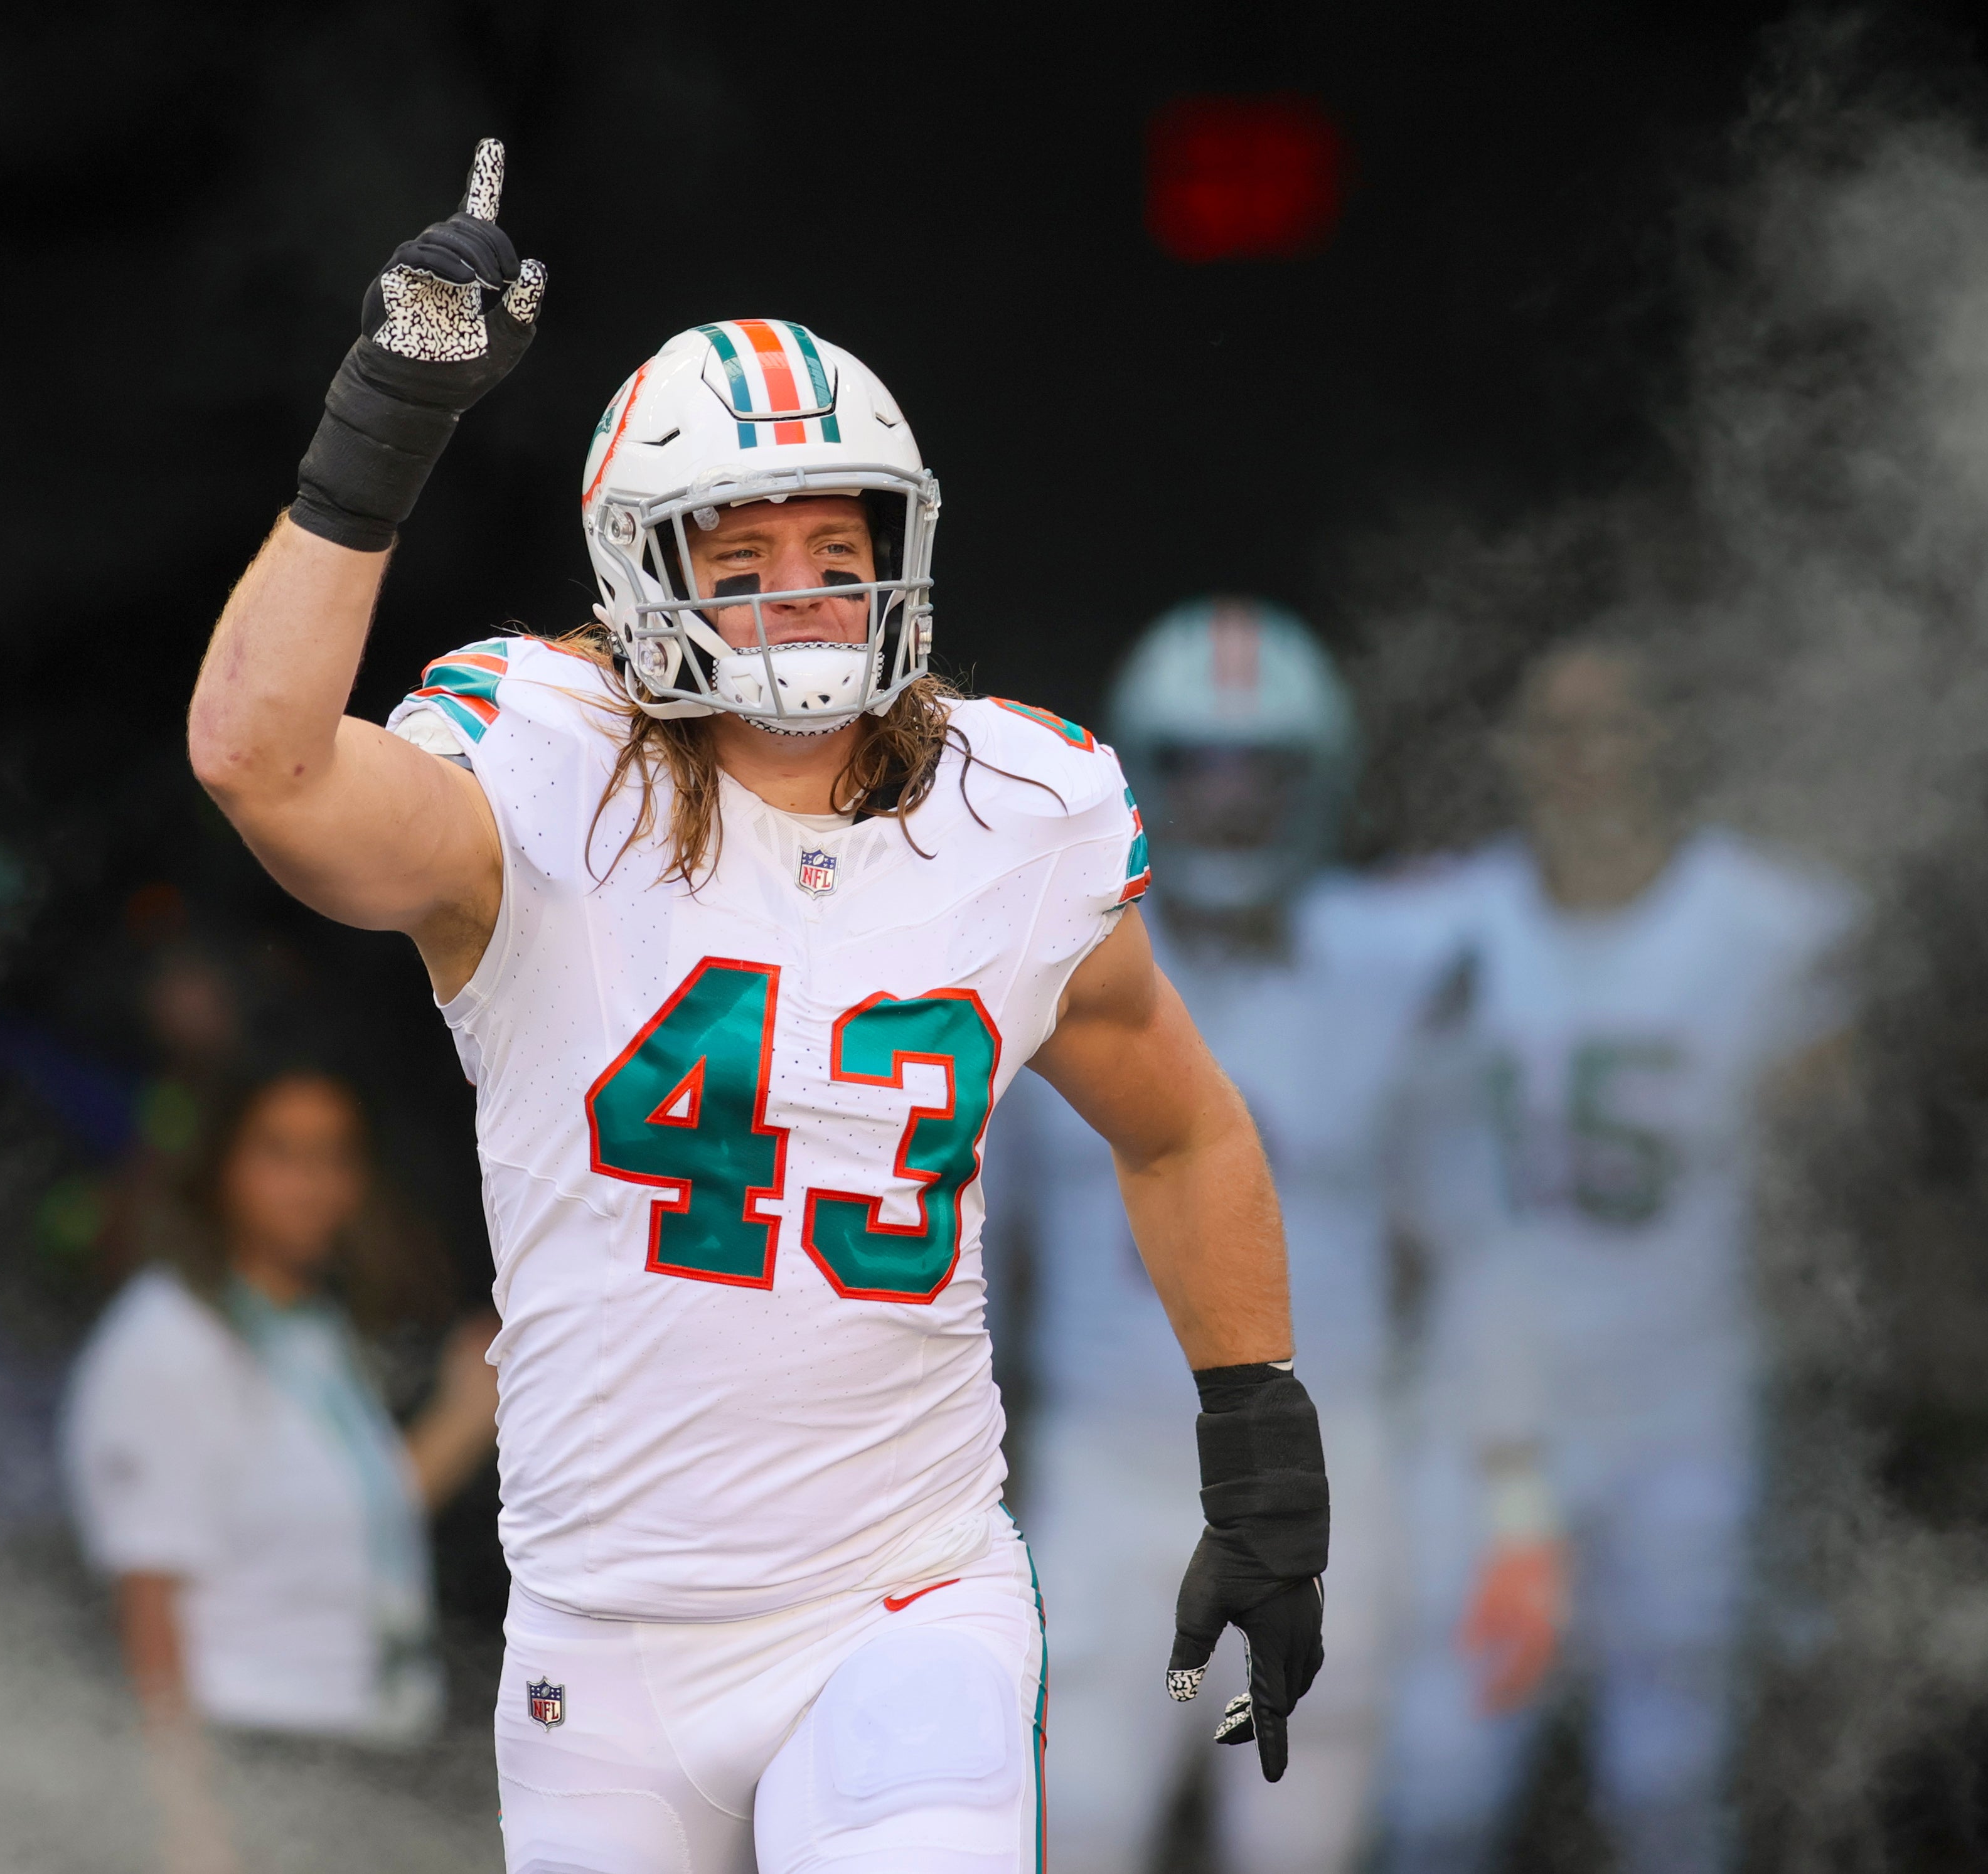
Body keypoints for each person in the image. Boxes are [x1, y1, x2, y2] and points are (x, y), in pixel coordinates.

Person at [184, 139, 1331, 1873]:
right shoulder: (537, 782)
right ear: (647, 571)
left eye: (837, 532)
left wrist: (1261, 1443)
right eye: (745, 543)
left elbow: (1178, 1120)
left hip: (903, 1594)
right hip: (600, 1633)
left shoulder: (1021, 812)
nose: (805, 578)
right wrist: (381, 424)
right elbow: (255, 764)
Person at [989, 600, 1473, 1874]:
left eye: (1266, 770)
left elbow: (1460, 1254)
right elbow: (986, 1268)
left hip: (1327, 1475)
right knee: (1073, 1829)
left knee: (1300, 1843)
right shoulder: (1052, 959)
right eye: (1197, 764)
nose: (1231, 801)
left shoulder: (1400, 966)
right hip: (1100, 1464)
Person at [1378, 642, 1859, 1874]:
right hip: (1492, 1412)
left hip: (1680, 1402)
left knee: (1671, 1783)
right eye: (1554, 731)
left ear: (1667, 740)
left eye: (1612, 728)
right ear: (1512, 751)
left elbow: (1867, 1133)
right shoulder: (1434, 924)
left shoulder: (1769, 924)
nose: (1582, 761)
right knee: (1439, 1780)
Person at [63, 1064, 500, 1874]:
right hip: (254, 1750)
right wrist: (186, 1820)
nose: (314, 1184)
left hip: (370, 1739)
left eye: (336, 1156)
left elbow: (356, 1515)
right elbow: (148, 1601)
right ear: (218, 1168)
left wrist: (467, 1416)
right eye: (281, 1153)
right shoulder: (167, 1340)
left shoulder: (312, 1328)